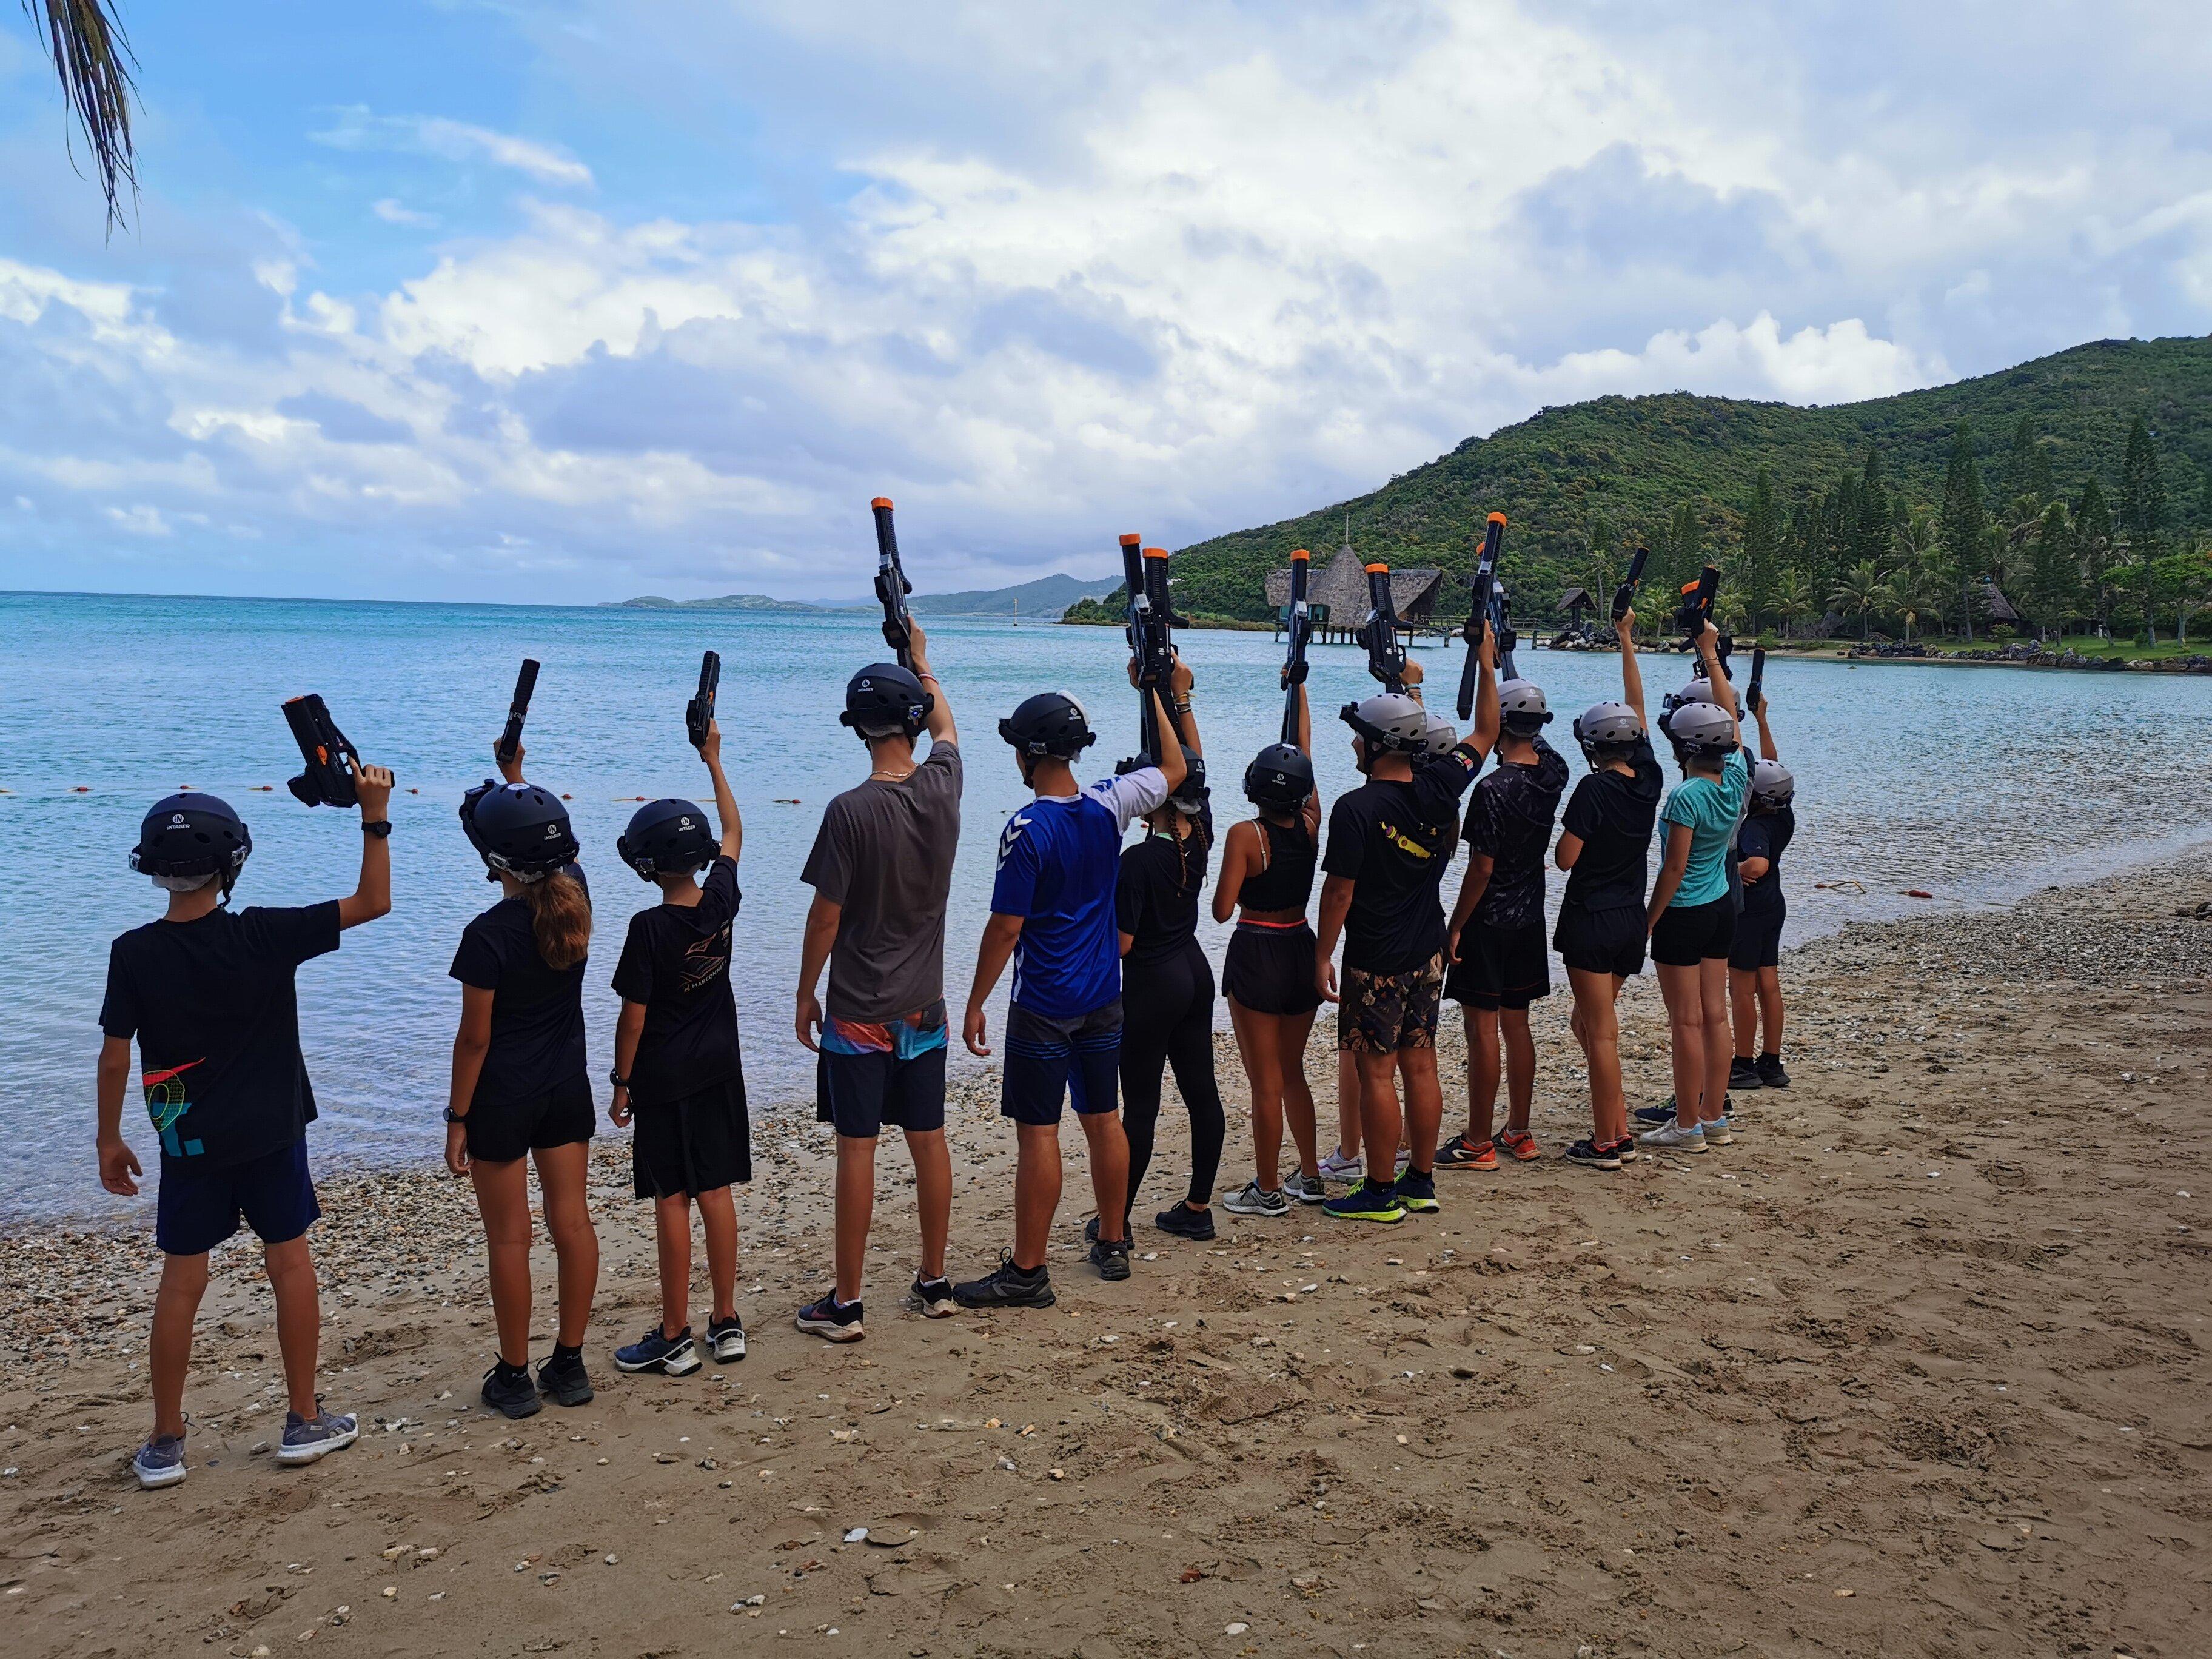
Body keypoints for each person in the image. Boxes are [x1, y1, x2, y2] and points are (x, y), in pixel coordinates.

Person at [99, 768, 395, 1490]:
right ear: (233, 862)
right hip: (269, 1129)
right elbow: (374, 902)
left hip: (186, 1136)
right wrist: (375, 815)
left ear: (151, 869)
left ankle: (166, 1440)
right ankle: (302, 1419)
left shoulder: (133, 951)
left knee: (181, 1284)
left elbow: (114, 1054)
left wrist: (109, 1139)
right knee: (288, 1261)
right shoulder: (263, 933)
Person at [953, 671, 1189, 1305]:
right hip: (1101, 996)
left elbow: (1006, 928)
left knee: (1039, 1133)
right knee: (1102, 1118)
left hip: (1044, 1005)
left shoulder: (1026, 829)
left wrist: (975, 1000)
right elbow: (1175, 767)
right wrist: (1155, 691)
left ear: (1029, 754)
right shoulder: (1109, 804)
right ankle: (1113, 1239)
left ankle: (1028, 1273)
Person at [793, 628, 962, 1342]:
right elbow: (949, 725)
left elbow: (825, 919)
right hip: (925, 1005)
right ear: (913, 721)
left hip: (860, 1009)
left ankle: (850, 1302)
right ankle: (934, 1280)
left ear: (859, 729)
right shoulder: (944, 784)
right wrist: (921, 657)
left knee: (857, 1149)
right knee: (929, 1140)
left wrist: (806, 993)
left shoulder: (848, 810)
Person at [1312, 647, 1496, 1225]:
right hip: (1428, 950)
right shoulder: (1442, 787)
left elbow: (1339, 895)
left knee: (1376, 1072)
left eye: (1358, 737)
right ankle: (1421, 1180)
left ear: (1376, 745)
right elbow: (1487, 729)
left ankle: (1380, 1189)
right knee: (1422, 1065)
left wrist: (1322, 957)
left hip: (1376, 957)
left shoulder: (1355, 809)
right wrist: (1486, 661)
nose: (1352, 745)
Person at [447, 742, 601, 1419]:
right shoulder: (577, 903)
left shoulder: (487, 935)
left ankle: (514, 1374)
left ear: (494, 864)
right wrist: (518, 778)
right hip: (567, 1088)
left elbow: (475, 1040)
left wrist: (457, 1119)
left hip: (503, 1099)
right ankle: (568, 1363)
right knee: (572, 1221)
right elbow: (555, 851)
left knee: (510, 1238)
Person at [606, 721, 749, 1375]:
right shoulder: (719, 902)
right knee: (715, 1190)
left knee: (671, 1198)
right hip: (720, 1070)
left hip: (663, 1078)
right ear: (698, 857)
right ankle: (726, 1320)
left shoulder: (647, 927)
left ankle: (673, 1331)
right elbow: (736, 835)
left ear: (647, 863)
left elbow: (633, 1019)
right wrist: (714, 761)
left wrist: (620, 1082)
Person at [1440, 677, 1569, 1168]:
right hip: (1529, 913)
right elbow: (1544, 747)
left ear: (1501, 727)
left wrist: (1456, 924)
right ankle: (1519, 1128)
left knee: (1483, 1031)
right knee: (1519, 1026)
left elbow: (1481, 867)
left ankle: (1477, 1140)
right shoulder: (1553, 774)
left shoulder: (1492, 789)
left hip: (1490, 918)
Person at [1551, 606, 1663, 1169]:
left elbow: (1565, 860)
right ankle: (1617, 1126)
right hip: (1631, 922)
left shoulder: (1593, 792)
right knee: (1588, 1026)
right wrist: (1626, 640)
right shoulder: (1650, 782)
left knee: (1599, 1035)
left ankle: (1606, 1142)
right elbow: (1638, 713)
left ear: (1592, 748)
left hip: (1592, 919)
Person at [1114, 673, 1222, 1239]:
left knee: (1141, 1106)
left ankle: (1119, 1221)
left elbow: (1123, 945)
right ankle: (1198, 1210)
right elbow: (1193, 764)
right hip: (1194, 972)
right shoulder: (1200, 835)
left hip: (1151, 983)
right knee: (1201, 1089)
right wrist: (1171, 697)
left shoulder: (1137, 863)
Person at [1638, 623, 1749, 1154]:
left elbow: (1673, 869)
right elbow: (1732, 724)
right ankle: (1714, 1116)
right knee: (1715, 1014)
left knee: (1684, 1020)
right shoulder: (1737, 781)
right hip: (1723, 906)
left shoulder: (1685, 796)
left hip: (1685, 911)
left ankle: (1686, 1126)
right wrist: (1711, 655)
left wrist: (1648, 919)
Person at [1215, 685, 1324, 1214]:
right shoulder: (1310, 826)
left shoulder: (1244, 835)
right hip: (1301, 945)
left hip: (1257, 949)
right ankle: (1309, 1173)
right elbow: (1306, 759)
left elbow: (1220, 909)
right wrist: (1299, 691)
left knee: (1265, 1081)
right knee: (1293, 1070)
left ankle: (1266, 1188)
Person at [1728, 687, 1795, 1092]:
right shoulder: (1782, 811)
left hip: (1751, 908)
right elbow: (1772, 767)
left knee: (1741, 984)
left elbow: (1758, 864)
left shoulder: (1753, 825)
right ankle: (1772, 1061)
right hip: (1775, 904)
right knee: (1768, 980)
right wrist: (1760, 719)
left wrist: (1731, 871)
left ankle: (1743, 1063)